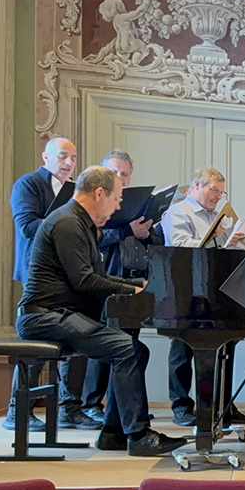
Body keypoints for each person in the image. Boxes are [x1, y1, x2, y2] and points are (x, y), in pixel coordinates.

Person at [14, 166, 186, 456]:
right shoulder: (68, 223)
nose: (118, 206)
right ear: (99, 193)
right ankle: (139, 436)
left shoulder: (78, 222)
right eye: (116, 199)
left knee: (135, 350)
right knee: (128, 349)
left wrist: (137, 284)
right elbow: (84, 280)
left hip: (60, 314)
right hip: (44, 316)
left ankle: (113, 433)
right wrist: (133, 289)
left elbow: (96, 277)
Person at [160, 167, 245, 427]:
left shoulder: (217, 217)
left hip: (216, 289)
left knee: (224, 346)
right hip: (185, 290)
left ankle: (221, 405)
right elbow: (179, 247)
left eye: (221, 193)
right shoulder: (178, 212)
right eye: (214, 190)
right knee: (183, 348)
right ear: (196, 185)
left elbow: (218, 252)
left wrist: (233, 241)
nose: (218, 197)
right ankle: (181, 406)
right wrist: (213, 236)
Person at [6, 137, 84, 433]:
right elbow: (27, 226)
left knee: (79, 333)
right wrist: (69, 222)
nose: (69, 163)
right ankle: (18, 410)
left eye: (73, 158)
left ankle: (69, 408)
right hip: (37, 273)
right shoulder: (28, 184)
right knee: (36, 339)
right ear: (46, 157)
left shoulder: (74, 190)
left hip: (68, 273)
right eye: (63, 156)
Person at [81, 149, 154, 424]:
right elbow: (95, 240)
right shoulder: (96, 204)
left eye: (125, 173)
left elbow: (153, 241)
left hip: (133, 281)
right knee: (103, 344)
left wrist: (145, 233)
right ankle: (91, 404)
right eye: (115, 172)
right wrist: (127, 231)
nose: (121, 177)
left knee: (129, 344)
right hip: (107, 279)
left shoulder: (135, 203)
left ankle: (121, 407)